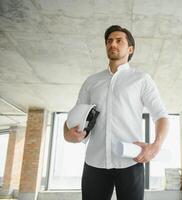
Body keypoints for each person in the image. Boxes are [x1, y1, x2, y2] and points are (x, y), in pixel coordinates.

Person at [63, 25, 169, 200]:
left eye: (119, 40)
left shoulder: (142, 79)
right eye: (109, 41)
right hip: (94, 162)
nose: (113, 44)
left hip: (130, 161)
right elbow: (74, 116)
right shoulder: (91, 81)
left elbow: (161, 116)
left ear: (130, 49)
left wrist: (155, 146)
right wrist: (68, 135)